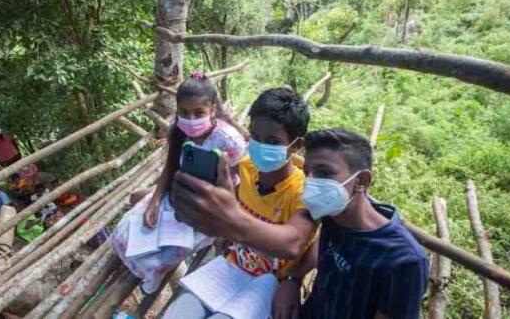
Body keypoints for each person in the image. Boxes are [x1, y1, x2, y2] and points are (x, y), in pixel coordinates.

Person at [173, 126, 429, 319]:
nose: (313, 182)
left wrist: (230, 220)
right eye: (308, 173)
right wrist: (293, 280)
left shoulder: (403, 261)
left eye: (325, 173)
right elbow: (320, 246)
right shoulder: (334, 215)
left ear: (361, 181)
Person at [163, 87, 317, 319]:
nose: (261, 145)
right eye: (255, 137)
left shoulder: (306, 191)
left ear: (296, 146)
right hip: (231, 265)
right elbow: (232, 200)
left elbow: (292, 243)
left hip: (271, 281)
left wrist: (231, 220)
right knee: (179, 313)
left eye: (273, 141)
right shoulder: (246, 168)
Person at [110, 72, 247, 294]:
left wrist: (227, 220)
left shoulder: (229, 141)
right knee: (123, 234)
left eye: (199, 113)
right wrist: (154, 202)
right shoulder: (181, 131)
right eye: (184, 113)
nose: (191, 120)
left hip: (210, 207)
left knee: (161, 256)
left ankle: (154, 275)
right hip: (178, 195)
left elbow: (242, 184)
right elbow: (170, 168)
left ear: (213, 109)